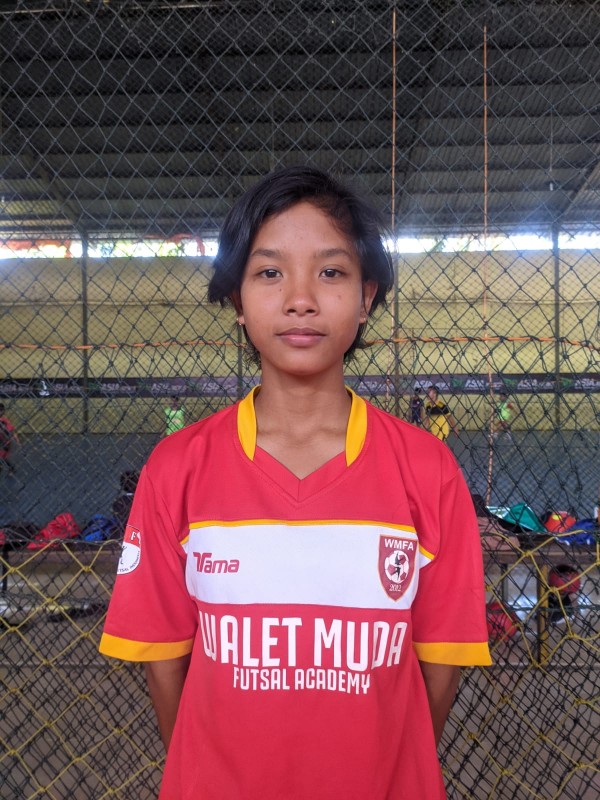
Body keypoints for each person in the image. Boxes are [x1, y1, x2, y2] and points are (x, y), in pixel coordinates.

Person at [99, 166, 491, 800]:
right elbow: (165, 660)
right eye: (269, 273)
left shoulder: (427, 469)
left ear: (366, 297)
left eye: (331, 272)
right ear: (237, 300)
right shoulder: (177, 467)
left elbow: (441, 663)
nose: (300, 298)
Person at [0, 403, 19, 475]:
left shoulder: (4, 421)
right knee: (2, 456)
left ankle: (12, 468)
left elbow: (11, 431)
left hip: (6, 441)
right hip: (2, 441)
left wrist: (16, 440)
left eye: (1, 410)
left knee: (5, 457)